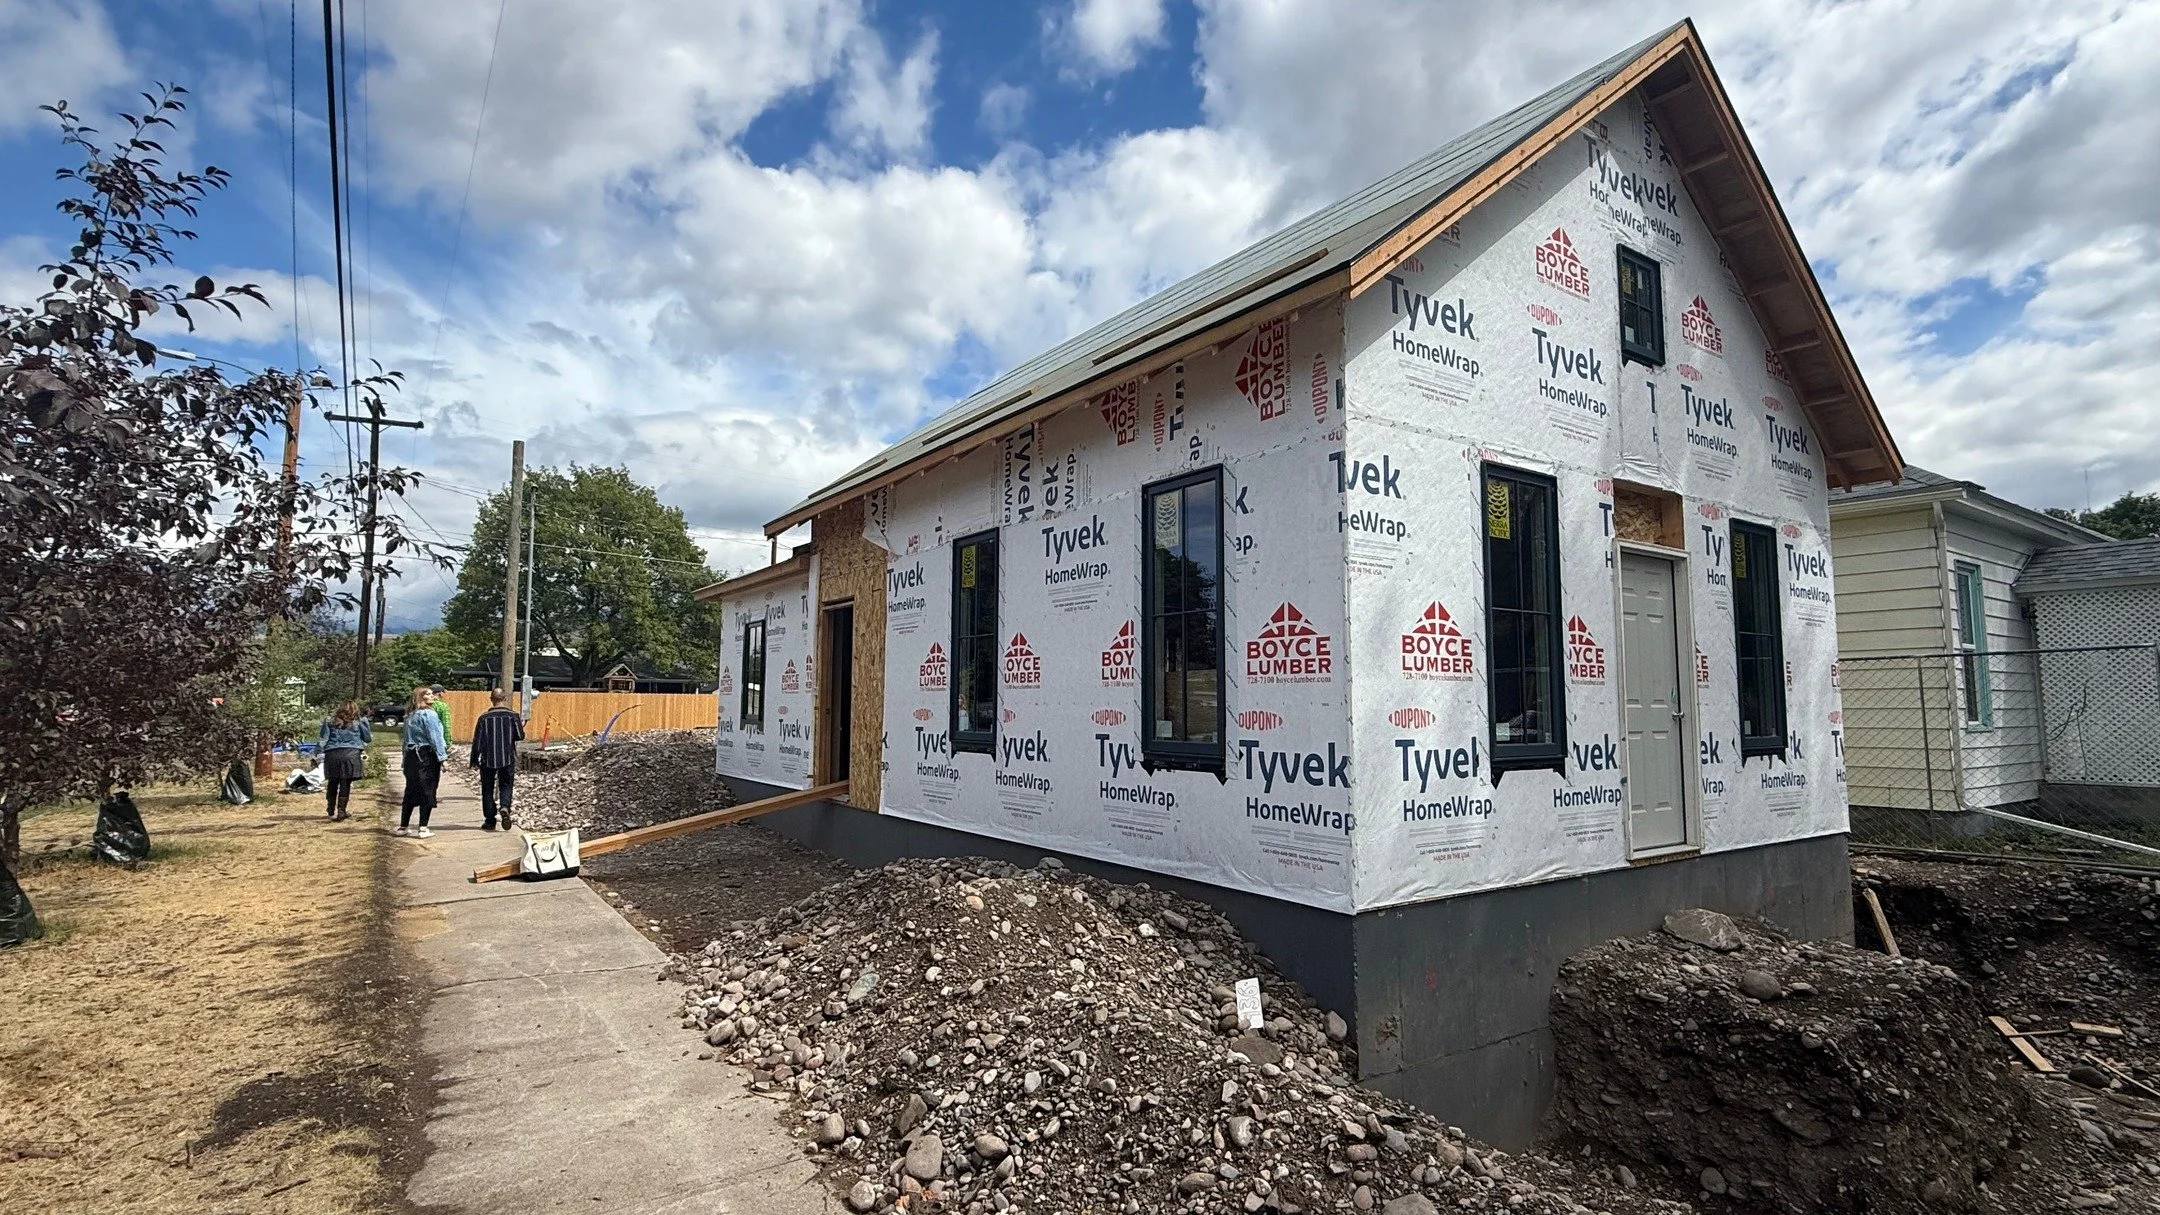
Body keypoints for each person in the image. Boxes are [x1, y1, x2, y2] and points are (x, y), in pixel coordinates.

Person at [469, 689, 525, 831]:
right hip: (508, 757)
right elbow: (520, 736)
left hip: (488, 758)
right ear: (504, 699)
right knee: (506, 785)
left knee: (487, 789)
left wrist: (474, 758)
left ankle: (489, 820)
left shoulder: (484, 718)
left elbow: (477, 740)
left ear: (491, 699)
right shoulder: (513, 716)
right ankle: (505, 806)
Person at [397, 686, 447, 838]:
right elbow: (435, 737)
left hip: (411, 755)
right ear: (422, 697)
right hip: (426, 755)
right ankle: (423, 828)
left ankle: (403, 826)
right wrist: (443, 758)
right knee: (428, 790)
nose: (433, 696)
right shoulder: (429, 715)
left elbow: (405, 740)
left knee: (410, 790)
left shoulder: (410, 716)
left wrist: (404, 760)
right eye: (429, 694)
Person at [318, 701, 372, 821]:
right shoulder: (359, 722)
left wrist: (316, 752)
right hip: (351, 753)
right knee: (345, 782)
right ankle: (341, 811)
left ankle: (330, 809)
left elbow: (323, 737)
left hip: (332, 753)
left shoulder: (329, 721)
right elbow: (367, 738)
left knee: (332, 781)